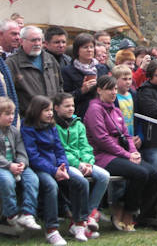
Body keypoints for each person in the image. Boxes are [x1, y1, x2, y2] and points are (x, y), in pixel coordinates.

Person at [84, 75, 157, 231]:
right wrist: (127, 155)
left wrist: (133, 151)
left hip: (121, 154)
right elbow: (102, 140)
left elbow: (126, 135)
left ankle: (135, 210)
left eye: (115, 89)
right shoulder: (94, 109)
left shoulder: (116, 110)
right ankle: (126, 212)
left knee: (154, 173)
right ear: (99, 90)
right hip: (102, 157)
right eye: (109, 89)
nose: (113, 93)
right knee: (140, 173)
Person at [22, 95, 93, 243]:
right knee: (51, 186)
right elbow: (33, 156)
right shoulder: (28, 128)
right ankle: (51, 230)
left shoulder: (51, 126)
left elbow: (59, 150)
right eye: (46, 110)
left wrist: (63, 167)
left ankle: (79, 224)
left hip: (57, 167)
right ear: (36, 111)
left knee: (81, 182)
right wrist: (54, 171)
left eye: (50, 110)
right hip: (39, 168)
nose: (49, 113)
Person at [53, 92, 109, 231]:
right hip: (64, 164)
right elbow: (61, 150)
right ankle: (80, 220)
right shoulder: (54, 126)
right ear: (56, 108)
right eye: (66, 106)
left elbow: (85, 146)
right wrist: (78, 164)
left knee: (104, 176)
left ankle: (89, 213)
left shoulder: (78, 124)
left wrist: (88, 162)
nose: (71, 108)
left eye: (72, 105)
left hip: (83, 162)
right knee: (79, 179)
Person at [0, 97, 41, 232]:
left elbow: (21, 150)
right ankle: (11, 214)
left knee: (32, 179)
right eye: (7, 114)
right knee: (7, 180)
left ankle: (28, 214)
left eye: (12, 114)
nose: (11, 117)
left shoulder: (14, 131)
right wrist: (9, 166)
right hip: (3, 167)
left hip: (16, 165)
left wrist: (22, 163)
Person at [6, 26, 63, 118]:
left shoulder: (50, 59)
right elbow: (8, 94)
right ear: (21, 41)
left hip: (51, 118)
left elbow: (60, 86)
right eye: (33, 40)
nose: (37, 44)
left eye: (39, 40)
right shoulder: (12, 63)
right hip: (27, 119)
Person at [61, 33, 110, 119]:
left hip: (102, 112)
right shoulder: (68, 71)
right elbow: (64, 97)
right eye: (85, 47)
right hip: (81, 114)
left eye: (91, 47)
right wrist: (82, 90)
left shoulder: (102, 68)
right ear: (77, 50)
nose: (89, 50)